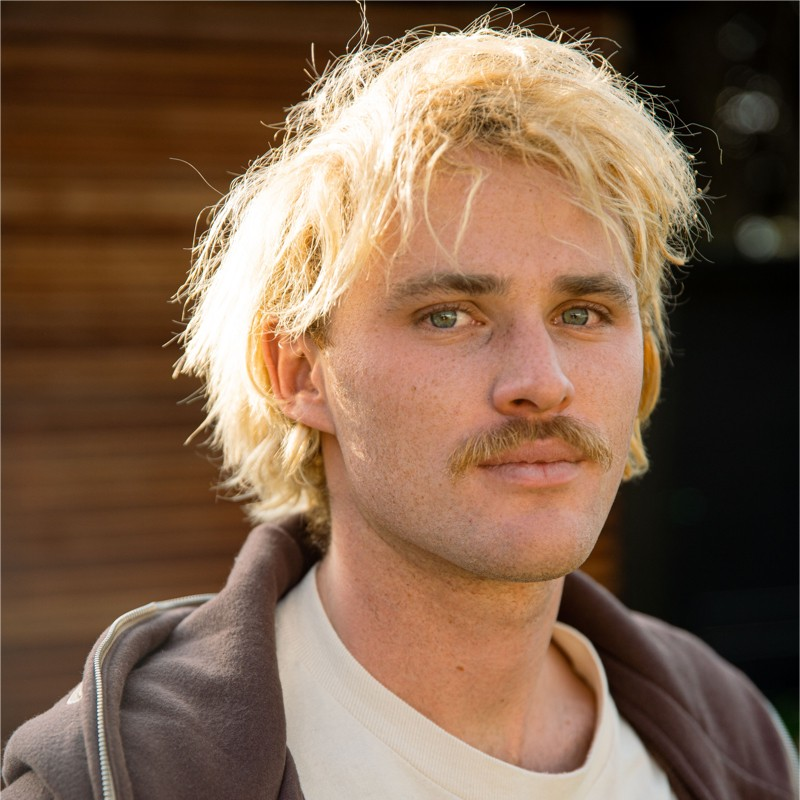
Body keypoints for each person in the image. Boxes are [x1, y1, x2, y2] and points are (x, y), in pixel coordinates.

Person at [2, 17, 796, 800]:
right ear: (299, 372)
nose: (542, 380)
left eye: (582, 313)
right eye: (449, 315)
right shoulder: (117, 782)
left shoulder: (736, 742)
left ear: (645, 364)